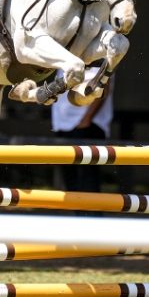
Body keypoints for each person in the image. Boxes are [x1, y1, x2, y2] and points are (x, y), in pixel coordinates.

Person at [51, 67, 113, 200]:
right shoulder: (64, 52)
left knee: (88, 178)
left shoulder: (101, 53)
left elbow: (104, 89)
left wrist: (86, 120)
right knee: (70, 178)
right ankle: (78, 217)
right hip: (63, 125)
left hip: (87, 126)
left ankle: (92, 218)